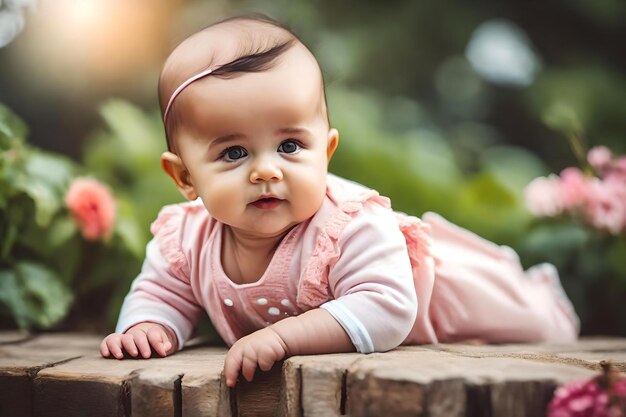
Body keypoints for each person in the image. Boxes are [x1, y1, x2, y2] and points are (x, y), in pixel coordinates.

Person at [99, 14, 579, 388]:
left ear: (326, 152)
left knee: (539, 320)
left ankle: (544, 297)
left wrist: (283, 338)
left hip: (455, 301)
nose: (267, 169)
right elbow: (160, 293)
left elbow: (387, 307)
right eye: (234, 152)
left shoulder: (348, 224)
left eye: (290, 146)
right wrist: (148, 326)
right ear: (184, 176)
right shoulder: (186, 239)